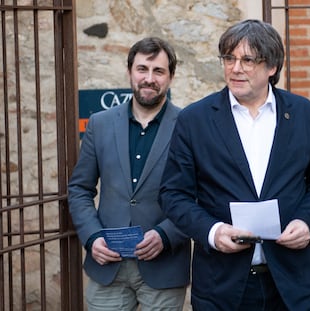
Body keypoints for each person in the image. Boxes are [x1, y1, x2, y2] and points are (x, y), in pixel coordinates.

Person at [159, 19, 310, 311]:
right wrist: (213, 231)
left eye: (247, 59)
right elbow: (172, 194)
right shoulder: (195, 120)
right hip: (221, 285)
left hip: (291, 285)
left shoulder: (304, 114)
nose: (235, 68)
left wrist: (307, 222)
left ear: (271, 67)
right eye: (229, 58)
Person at [68, 37, 191, 311]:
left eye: (158, 71)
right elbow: (79, 190)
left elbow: (201, 195)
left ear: (170, 76)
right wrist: (91, 237)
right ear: (129, 72)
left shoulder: (189, 126)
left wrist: (166, 234)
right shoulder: (99, 124)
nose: (149, 78)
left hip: (164, 267)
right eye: (142, 69)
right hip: (107, 266)